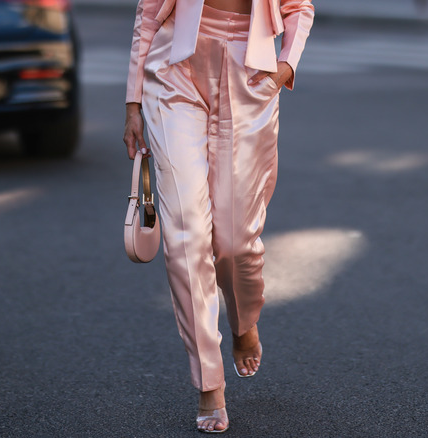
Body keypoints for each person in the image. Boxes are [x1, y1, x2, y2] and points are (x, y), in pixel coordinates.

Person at [123, 0, 314, 432]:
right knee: (187, 236)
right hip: (176, 73)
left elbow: (299, 7)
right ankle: (208, 382)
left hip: (250, 75)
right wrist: (133, 100)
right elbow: (149, 11)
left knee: (234, 242)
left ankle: (244, 321)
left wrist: (286, 64)